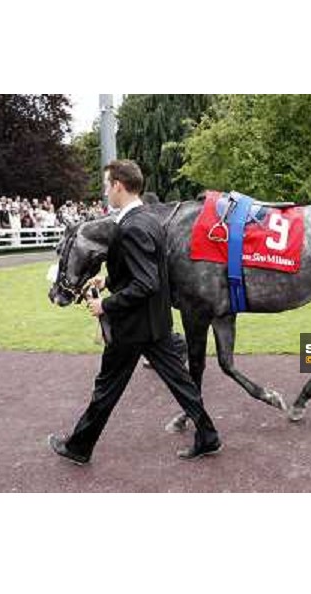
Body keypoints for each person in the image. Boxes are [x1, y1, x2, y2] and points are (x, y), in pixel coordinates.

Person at [49, 159, 222, 464]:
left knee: (106, 388)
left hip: (133, 326)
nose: (106, 192)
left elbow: (146, 282)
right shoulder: (148, 219)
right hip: (155, 324)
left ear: (118, 185)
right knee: (180, 383)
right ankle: (207, 436)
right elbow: (147, 270)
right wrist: (108, 279)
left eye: (106, 185)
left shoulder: (133, 226)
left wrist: (106, 303)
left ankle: (78, 447)